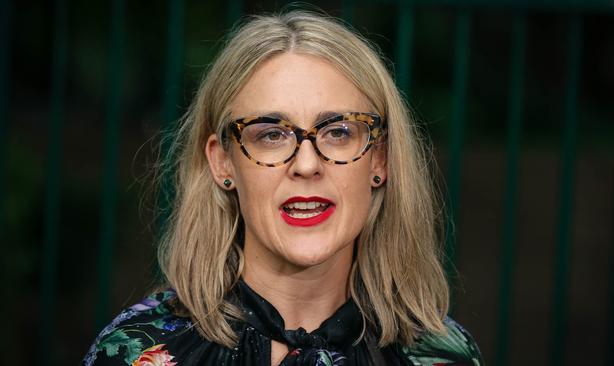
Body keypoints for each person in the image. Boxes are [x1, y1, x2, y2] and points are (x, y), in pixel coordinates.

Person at [83, 9, 483, 366]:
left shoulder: (443, 356)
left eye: (338, 132)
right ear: (222, 162)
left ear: (379, 159)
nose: (307, 164)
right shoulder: (134, 353)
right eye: (271, 134)